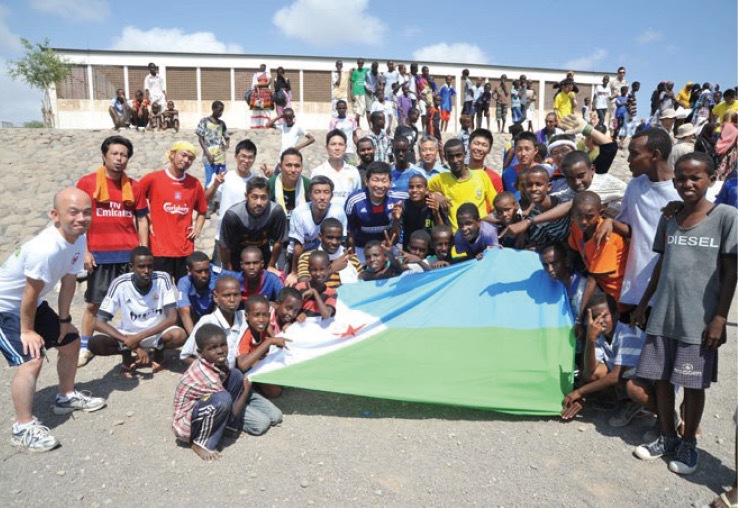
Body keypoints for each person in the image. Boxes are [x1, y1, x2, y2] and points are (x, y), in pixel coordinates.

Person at [632, 152, 737, 475]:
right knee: (661, 380)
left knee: (692, 385)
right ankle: (666, 435)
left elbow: (731, 272)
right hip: (664, 314)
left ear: (711, 180)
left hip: (698, 320)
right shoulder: (670, 216)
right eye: (681, 178)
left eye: (695, 178)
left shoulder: (726, 216)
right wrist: (644, 304)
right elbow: (661, 264)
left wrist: (719, 318)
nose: (687, 184)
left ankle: (688, 441)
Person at [0, 188, 106, 452]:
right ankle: (23, 427)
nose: (81, 218)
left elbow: (69, 281)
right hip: (5, 308)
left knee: (70, 342)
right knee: (31, 359)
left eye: (86, 212)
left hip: (31, 304)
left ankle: (65, 397)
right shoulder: (45, 248)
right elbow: (29, 293)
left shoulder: (78, 238)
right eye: (73, 212)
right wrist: (27, 331)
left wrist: (64, 320)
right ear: (55, 215)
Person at [76, 135, 149, 367]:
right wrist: (84, 251)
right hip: (100, 255)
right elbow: (79, 220)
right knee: (94, 304)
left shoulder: (135, 186)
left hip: (128, 255)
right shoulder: (87, 183)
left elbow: (142, 220)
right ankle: (85, 346)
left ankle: (138, 344)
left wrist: (143, 251)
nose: (119, 159)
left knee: (134, 303)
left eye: (124, 155)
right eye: (114, 154)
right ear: (104, 156)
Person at [89, 246, 187, 375]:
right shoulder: (120, 283)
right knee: (95, 343)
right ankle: (127, 356)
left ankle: (158, 354)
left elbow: (172, 318)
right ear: (131, 267)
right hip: (128, 334)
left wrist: (138, 338)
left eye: (150, 266)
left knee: (179, 335)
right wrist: (130, 342)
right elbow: (98, 322)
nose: (146, 271)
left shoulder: (163, 279)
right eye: (141, 267)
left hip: (156, 333)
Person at [172, 324, 251, 461]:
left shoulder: (215, 361)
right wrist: (246, 390)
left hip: (201, 405)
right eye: (212, 348)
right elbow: (232, 411)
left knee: (235, 375)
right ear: (201, 352)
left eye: (223, 345)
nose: (220, 351)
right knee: (223, 399)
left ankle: (228, 428)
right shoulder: (207, 377)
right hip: (186, 424)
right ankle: (201, 443)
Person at [560, 293, 645, 420]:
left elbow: (615, 377)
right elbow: (589, 373)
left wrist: (580, 392)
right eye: (595, 317)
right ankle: (620, 401)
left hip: (644, 384)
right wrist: (591, 338)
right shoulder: (599, 336)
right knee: (596, 373)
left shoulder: (628, 335)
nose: (599, 321)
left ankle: (641, 406)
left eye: (604, 316)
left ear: (616, 315)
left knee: (631, 388)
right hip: (624, 380)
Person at [140, 141, 207, 282]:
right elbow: (136, 199)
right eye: (183, 155)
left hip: (185, 249)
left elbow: (202, 211)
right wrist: (147, 218)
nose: (186, 160)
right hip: (159, 249)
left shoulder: (194, 184)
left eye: (190, 158)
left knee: (185, 290)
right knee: (160, 290)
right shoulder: (153, 179)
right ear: (172, 154)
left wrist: (198, 228)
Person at [567, 191, 628, 327]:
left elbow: (592, 280)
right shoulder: (577, 227)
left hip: (617, 300)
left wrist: (579, 319)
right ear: (572, 214)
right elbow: (573, 250)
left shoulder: (606, 237)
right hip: (600, 288)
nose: (584, 221)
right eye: (579, 216)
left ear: (601, 213)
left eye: (590, 217)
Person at [219, 177, 287, 273]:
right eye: (254, 197)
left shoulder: (276, 212)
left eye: (263, 198)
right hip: (237, 255)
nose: (259, 203)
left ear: (269, 197)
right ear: (246, 196)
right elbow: (224, 245)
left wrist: (271, 265)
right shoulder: (232, 215)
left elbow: (279, 241)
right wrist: (228, 269)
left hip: (263, 254)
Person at [428, 138, 496, 232]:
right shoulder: (441, 179)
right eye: (451, 157)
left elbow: (495, 205)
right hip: (457, 236)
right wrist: (436, 196)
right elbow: (423, 190)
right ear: (445, 157)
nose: (455, 160)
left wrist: (485, 224)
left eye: (458, 155)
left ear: (465, 154)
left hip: (481, 234)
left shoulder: (481, 176)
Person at [206, 139, 258, 260]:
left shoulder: (257, 180)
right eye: (243, 156)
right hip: (224, 237)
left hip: (248, 238)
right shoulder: (225, 177)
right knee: (219, 271)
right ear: (236, 156)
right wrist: (215, 185)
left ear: (254, 159)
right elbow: (206, 198)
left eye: (250, 157)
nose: (246, 160)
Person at [179, 275, 246, 368]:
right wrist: (212, 370)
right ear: (216, 297)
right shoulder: (207, 322)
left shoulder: (244, 317)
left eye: (236, 295)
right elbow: (185, 356)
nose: (232, 300)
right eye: (226, 295)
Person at [287, 177, 348, 279]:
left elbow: (341, 241)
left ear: (331, 196)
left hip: (327, 254)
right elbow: (298, 247)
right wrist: (294, 273)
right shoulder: (299, 213)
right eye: (317, 192)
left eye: (326, 192)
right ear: (310, 195)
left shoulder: (338, 212)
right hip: (301, 256)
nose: (322, 197)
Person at [345, 161, 405, 262]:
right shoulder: (354, 202)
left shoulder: (398, 199)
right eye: (375, 180)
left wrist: (396, 221)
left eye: (384, 181)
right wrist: (353, 259)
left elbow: (395, 239)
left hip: (388, 246)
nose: (380, 185)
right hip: (362, 247)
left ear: (390, 182)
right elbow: (350, 234)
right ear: (366, 181)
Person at [236, 295, 290, 405]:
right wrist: (269, 341)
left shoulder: (264, 327)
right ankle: (254, 389)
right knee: (275, 392)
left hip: (258, 363)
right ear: (247, 316)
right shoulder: (246, 334)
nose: (261, 319)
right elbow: (242, 365)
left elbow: (272, 335)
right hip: (244, 372)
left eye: (265, 315)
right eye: (256, 315)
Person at [176, 251, 238, 336]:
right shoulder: (184, 282)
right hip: (194, 317)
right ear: (189, 270)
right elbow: (184, 312)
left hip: (213, 314)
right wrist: (193, 338)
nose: (204, 275)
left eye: (206, 270)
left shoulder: (216, 275)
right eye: (199, 271)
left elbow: (238, 278)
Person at [310, 129, 362, 209]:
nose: (337, 148)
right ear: (327, 147)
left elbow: (357, 199)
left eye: (341, 144)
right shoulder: (318, 172)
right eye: (333, 144)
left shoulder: (353, 172)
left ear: (345, 147)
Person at [401, 174, 448, 249]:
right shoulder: (404, 206)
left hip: (432, 250)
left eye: (419, 186)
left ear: (427, 190)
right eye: (411, 187)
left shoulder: (435, 203)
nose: (414, 190)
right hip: (411, 249)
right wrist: (396, 220)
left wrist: (436, 214)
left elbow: (444, 233)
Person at [196, 100, 230, 190]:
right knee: (209, 181)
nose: (221, 112)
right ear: (213, 109)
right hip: (209, 158)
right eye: (219, 110)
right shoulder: (204, 121)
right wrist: (208, 154)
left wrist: (226, 146)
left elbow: (227, 137)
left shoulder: (222, 124)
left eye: (222, 110)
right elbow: (200, 139)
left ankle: (218, 199)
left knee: (221, 181)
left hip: (220, 158)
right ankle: (206, 198)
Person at [294, 251, 337, 321]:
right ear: (309, 270)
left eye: (322, 269)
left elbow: (326, 315)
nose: (318, 274)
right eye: (314, 270)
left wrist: (314, 292)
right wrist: (298, 315)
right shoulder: (300, 287)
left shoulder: (331, 293)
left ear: (329, 269)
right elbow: (291, 309)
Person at [502, 131, 538, 199]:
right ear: (515, 150)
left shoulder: (544, 171)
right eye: (519, 149)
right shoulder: (507, 174)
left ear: (535, 150)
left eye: (527, 149)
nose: (523, 153)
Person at [468, 128, 504, 193]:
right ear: (468, 145)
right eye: (476, 143)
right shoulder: (458, 174)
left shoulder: (494, 178)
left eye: (484, 145)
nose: (479, 148)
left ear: (489, 150)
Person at [348, 58, 370, 128]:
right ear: (357, 63)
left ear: (363, 64)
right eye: (359, 63)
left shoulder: (365, 70)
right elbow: (351, 83)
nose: (360, 64)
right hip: (355, 92)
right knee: (356, 109)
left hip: (362, 92)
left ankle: (354, 121)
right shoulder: (355, 72)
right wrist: (351, 94)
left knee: (362, 107)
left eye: (362, 63)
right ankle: (358, 125)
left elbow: (373, 69)